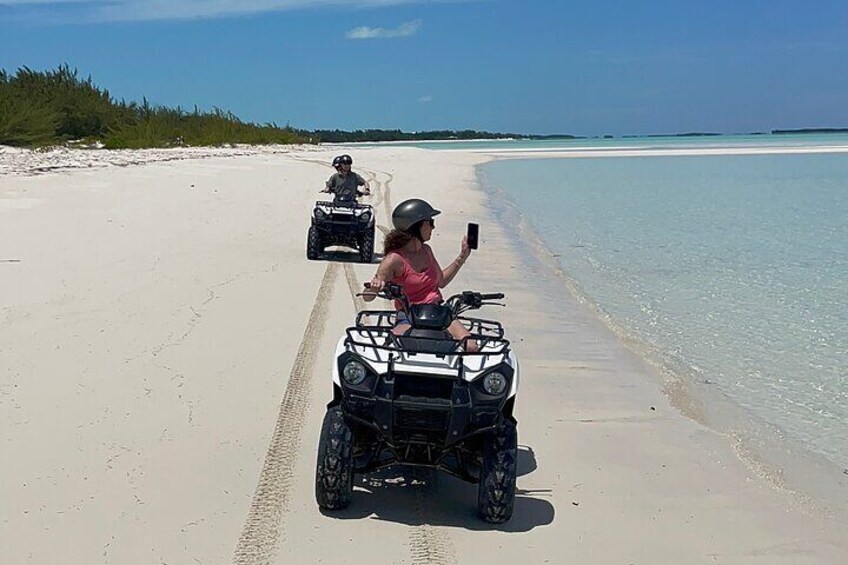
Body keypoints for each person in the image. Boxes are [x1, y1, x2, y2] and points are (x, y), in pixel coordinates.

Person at [364, 198, 476, 350]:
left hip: (438, 312)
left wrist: (462, 257)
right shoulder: (394, 260)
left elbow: (441, 281)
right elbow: (367, 296)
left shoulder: (427, 251)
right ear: (416, 226)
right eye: (430, 222)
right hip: (409, 315)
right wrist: (375, 287)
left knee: (470, 346)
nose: (433, 227)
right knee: (392, 346)